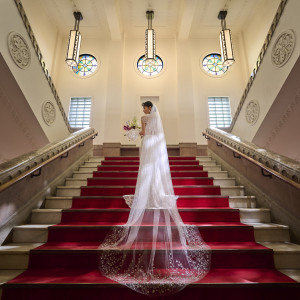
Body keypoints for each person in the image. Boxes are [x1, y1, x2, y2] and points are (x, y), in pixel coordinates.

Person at [98, 101, 211, 296]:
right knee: (155, 171)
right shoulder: (157, 119)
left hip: (147, 145)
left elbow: (143, 133)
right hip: (155, 146)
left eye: (144, 107)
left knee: (145, 170)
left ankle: (147, 193)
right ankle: (155, 192)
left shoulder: (144, 119)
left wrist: (132, 131)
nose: (143, 110)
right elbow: (156, 135)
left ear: (148, 108)